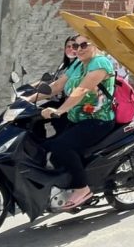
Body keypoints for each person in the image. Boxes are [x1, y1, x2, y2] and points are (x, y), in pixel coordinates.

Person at [38, 35, 116, 209]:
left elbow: (82, 90)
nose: (78, 49)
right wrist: (27, 99)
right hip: (77, 118)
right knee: (48, 146)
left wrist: (59, 111)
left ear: (94, 45)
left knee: (62, 146)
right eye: (75, 45)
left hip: (97, 120)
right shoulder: (78, 63)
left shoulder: (100, 63)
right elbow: (57, 86)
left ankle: (82, 188)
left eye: (83, 45)